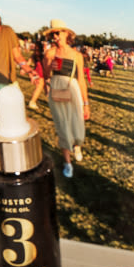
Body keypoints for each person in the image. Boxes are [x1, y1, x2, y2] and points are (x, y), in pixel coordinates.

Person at [42, 19, 90, 178]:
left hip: (73, 89)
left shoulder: (77, 55)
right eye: (53, 34)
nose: (55, 37)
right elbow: (46, 75)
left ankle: (77, 145)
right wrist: (49, 66)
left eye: (58, 33)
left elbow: (81, 80)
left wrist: (86, 103)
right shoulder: (50, 53)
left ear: (66, 34)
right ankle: (67, 163)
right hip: (56, 89)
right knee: (62, 126)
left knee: (77, 124)